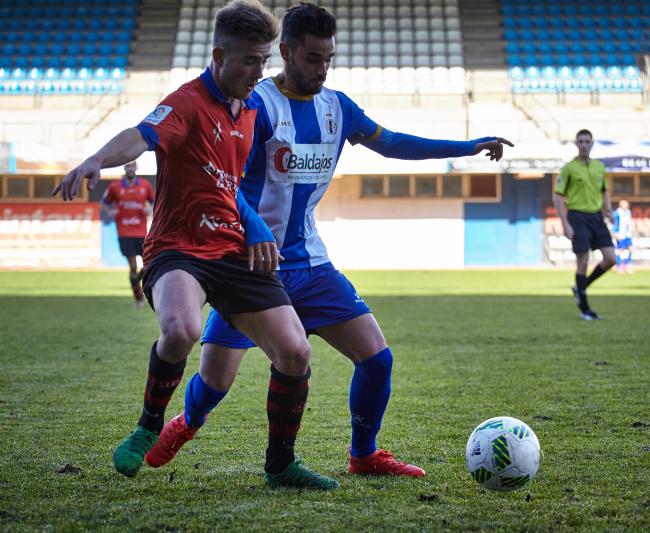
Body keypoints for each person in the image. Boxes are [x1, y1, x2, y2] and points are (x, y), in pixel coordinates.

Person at [143, 1, 513, 478]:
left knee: (377, 358)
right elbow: (222, 181)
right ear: (286, 53)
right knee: (214, 381)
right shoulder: (254, 106)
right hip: (250, 267)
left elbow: (394, 142)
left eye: (329, 59)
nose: (323, 69)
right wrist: (252, 228)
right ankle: (187, 420)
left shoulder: (337, 107)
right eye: (314, 58)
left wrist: (467, 146)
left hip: (312, 265)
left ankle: (363, 455)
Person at [53, 0, 338, 490]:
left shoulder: (251, 110)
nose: (259, 73)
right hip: (177, 248)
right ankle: (148, 426)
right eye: (250, 61)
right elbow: (140, 136)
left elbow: (235, 187)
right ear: (218, 56)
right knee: (182, 329)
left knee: (294, 352)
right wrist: (96, 159)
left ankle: (280, 466)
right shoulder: (186, 102)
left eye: (264, 61)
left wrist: (255, 227)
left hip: (231, 250)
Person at [553, 129, 615, 320]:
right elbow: (557, 196)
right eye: (580, 141)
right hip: (577, 216)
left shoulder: (599, 167)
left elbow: (604, 191)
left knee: (610, 258)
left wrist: (608, 210)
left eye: (587, 141)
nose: (584, 145)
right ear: (576, 144)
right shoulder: (569, 168)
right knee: (583, 260)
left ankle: (581, 287)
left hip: (596, 217)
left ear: (592, 144)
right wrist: (565, 224)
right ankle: (585, 310)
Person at [100, 161, 154, 308]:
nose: (130, 168)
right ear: (124, 168)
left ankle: (139, 287)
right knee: (132, 266)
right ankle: (138, 297)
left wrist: (150, 209)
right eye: (128, 166)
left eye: (132, 166)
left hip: (142, 232)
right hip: (124, 232)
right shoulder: (115, 187)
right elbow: (104, 203)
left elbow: (154, 202)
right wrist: (109, 211)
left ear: (136, 167)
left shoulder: (145, 185)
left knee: (149, 264)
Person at [613, 199, 634, 274]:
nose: (625, 205)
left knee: (631, 249)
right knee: (620, 251)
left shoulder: (628, 212)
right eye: (623, 204)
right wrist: (615, 233)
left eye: (626, 203)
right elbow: (615, 224)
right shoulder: (617, 213)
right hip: (620, 235)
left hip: (627, 235)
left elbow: (628, 223)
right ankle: (618, 267)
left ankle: (626, 265)